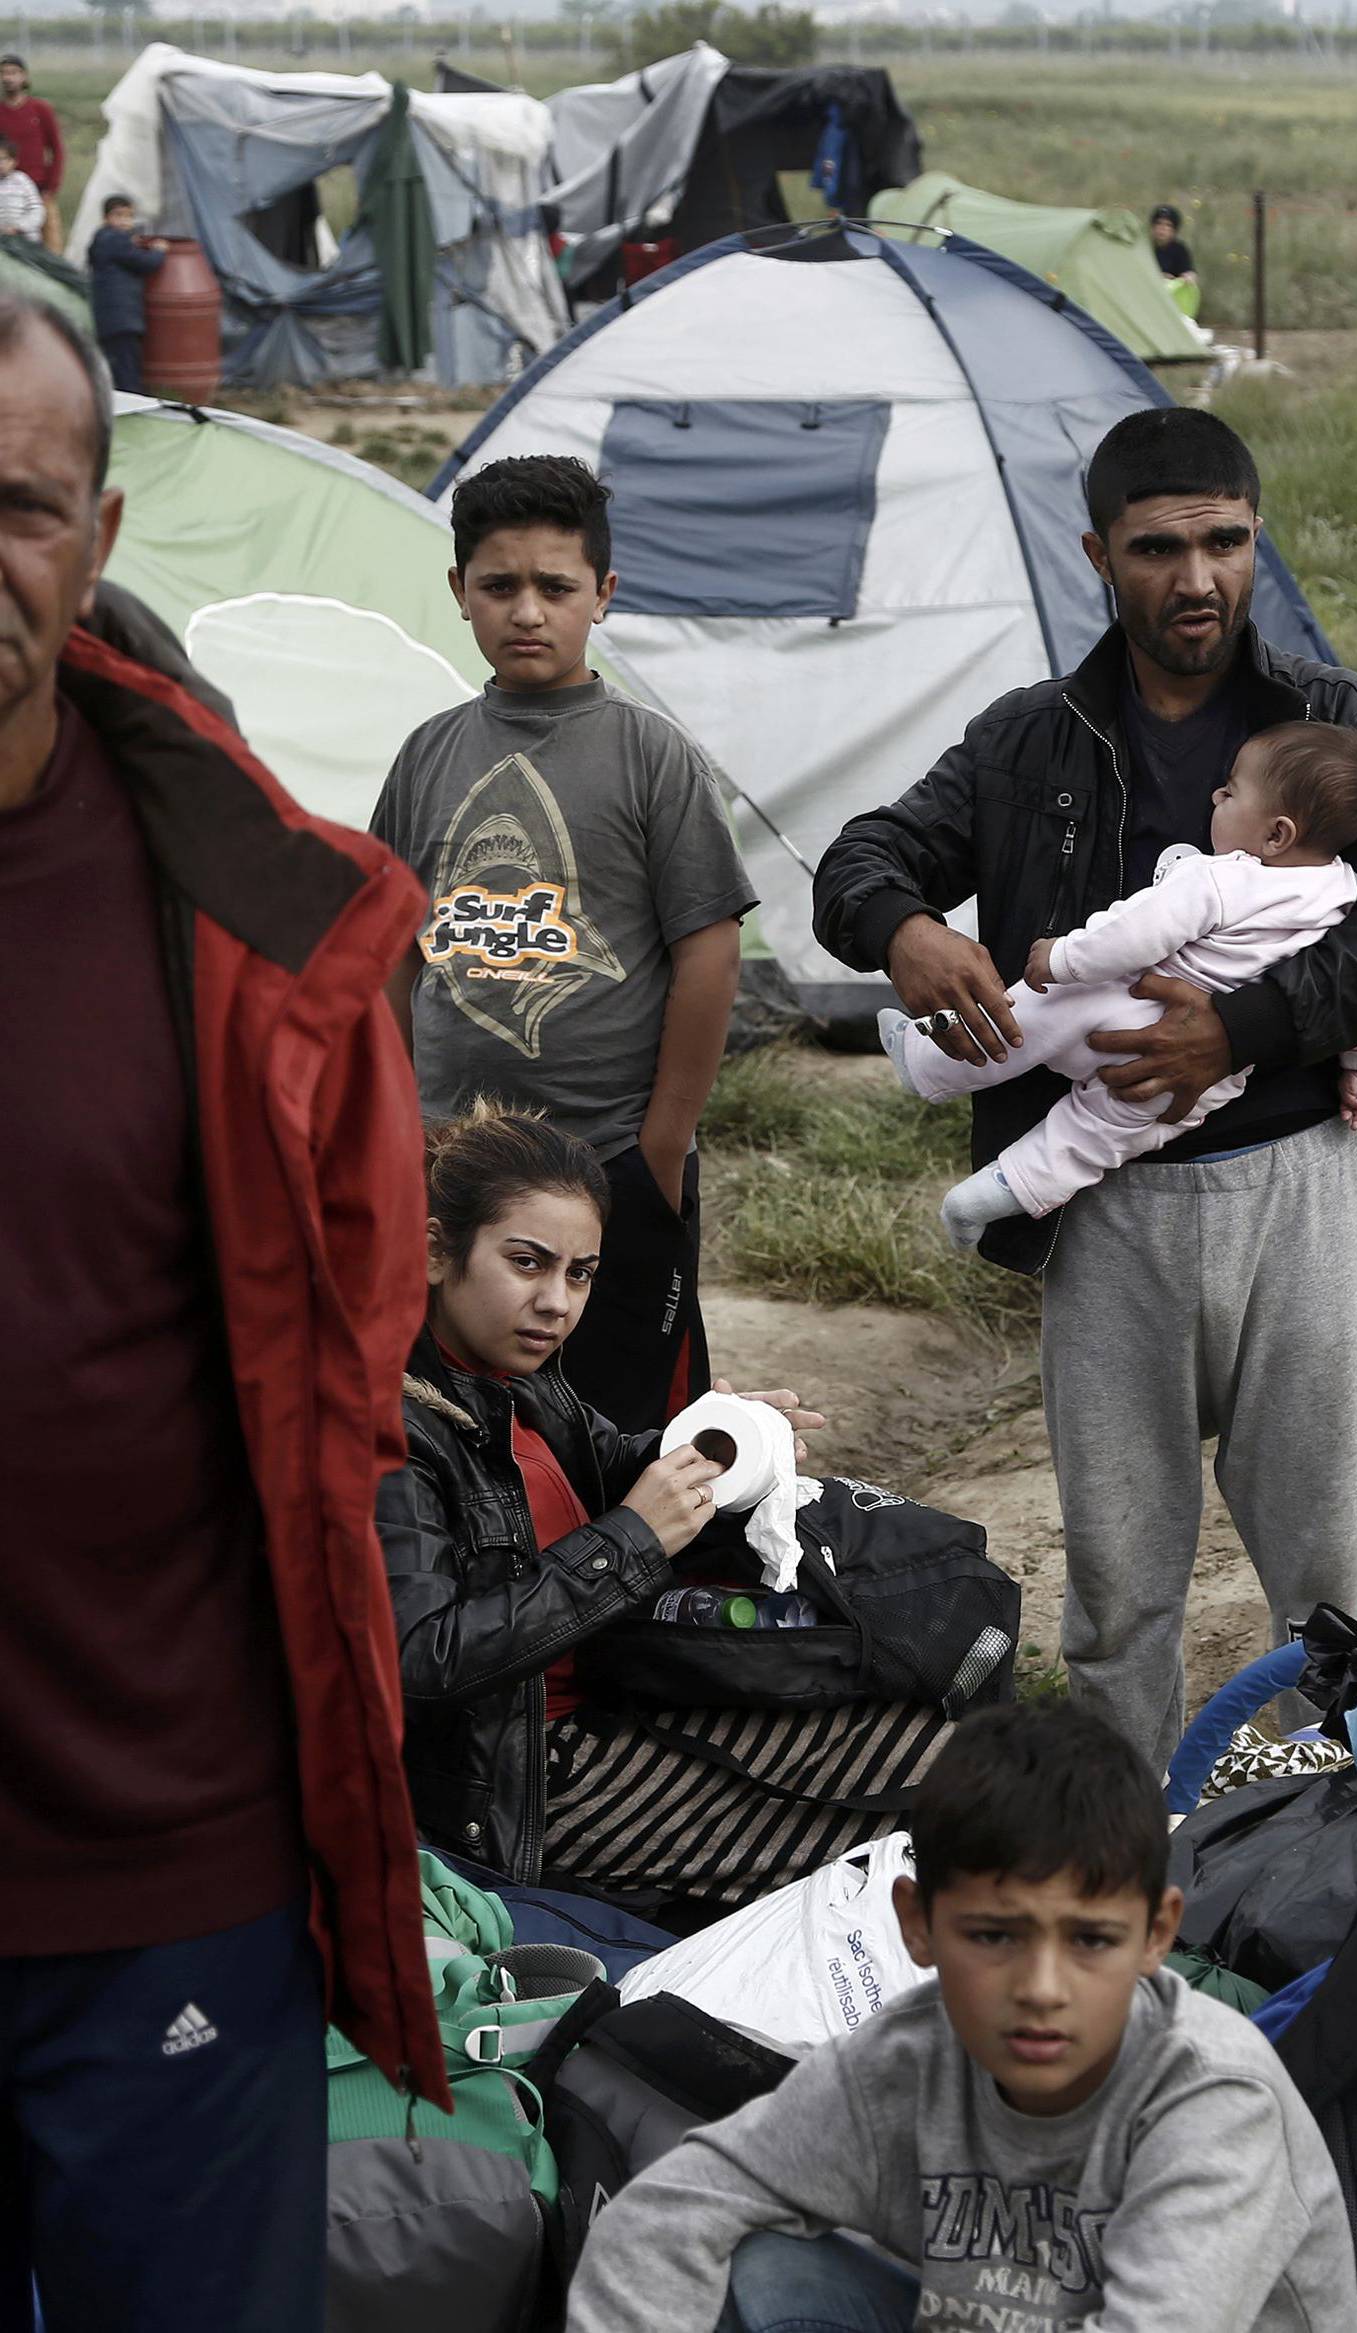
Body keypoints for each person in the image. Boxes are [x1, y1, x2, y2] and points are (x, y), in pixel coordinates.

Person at [813, 405, 1357, 1774]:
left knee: (1339, 1583)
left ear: (1257, 542)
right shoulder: (1027, 742)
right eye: (1160, 548)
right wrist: (905, 928)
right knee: (1120, 1594)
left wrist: (1236, 1030)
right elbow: (861, 857)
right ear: (1098, 557)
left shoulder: (1339, 725)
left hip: (1302, 1187)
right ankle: (1125, 1870)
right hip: (1107, 1211)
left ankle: (1328, 1853)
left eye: (1226, 543)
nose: (1197, 578)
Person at [0, 293, 442, 2333]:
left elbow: (354, 1352)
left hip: (164, 1861)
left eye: (12, 507)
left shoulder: (259, 915)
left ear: (92, 540)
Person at [566, 1698, 1357, 2333]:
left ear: (1158, 1932)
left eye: (1092, 1940)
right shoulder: (905, 2058)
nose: (1042, 1987)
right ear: (917, 1922)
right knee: (758, 2269)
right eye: (994, 1936)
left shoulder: (1215, 2105)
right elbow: (675, 2208)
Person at [377, 1099, 953, 1901]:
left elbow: (610, 1462)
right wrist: (630, 1538)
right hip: (530, 1787)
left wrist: (721, 1445)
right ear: (439, 1252)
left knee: (947, 1746)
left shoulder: (521, 1382)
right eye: (527, 1262)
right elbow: (422, 1661)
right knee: (901, 1852)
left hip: (626, 1697)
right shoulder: (391, 1426)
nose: (557, 1302)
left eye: (580, 1273)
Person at [373, 453, 757, 1437]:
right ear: (459, 592)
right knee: (453, 1422)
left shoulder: (650, 754)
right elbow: (391, 950)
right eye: (500, 586)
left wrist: (663, 1144)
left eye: (556, 586)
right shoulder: (426, 753)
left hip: (614, 1158)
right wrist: (396, 1121)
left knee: (622, 1422)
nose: (528, 611)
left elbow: (708, 952)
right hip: (451, 1162)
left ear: (604, 594)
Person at [882, 721, 1357, 1249]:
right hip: (1206, 1074)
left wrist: (1062, 959)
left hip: (1126, 1008)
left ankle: (925, 1062)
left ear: (1276, 834)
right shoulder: (1346, 893)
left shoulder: (1221, 877)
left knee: (1030, 1017)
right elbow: (1353, 987)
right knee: (1098, 1133)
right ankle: (1000, 1190)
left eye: (1231, 791)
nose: (1216, 795)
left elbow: (1134, 934)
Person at [86, 194, 165, 392]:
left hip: (108, 318)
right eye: (118, 215)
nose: (124, 221)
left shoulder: (102, 239)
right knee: (127, 371)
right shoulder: (115, 240)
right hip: (122, 318)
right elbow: (146, 263)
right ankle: (132, 407)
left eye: (128, 216)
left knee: (114, 369)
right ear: (106, 218)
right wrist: (159, 251)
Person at [0, 56, 61, 250]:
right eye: (4, 73)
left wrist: (51, 187)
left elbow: (57, 149)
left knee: (51, 243)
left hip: (39, 187)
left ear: (24, 77)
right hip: (7, 190)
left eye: (13, 73)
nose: (8, 78)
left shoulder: (40, 109)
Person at [1150, 202, 1200, 317]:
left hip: (1170, 301)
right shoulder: (1146, 248)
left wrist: (1188, 278)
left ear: (1174, 230)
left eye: (1168, 225)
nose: (1162, 229)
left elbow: (1188, 272)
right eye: (1159, 224)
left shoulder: (1179, 250)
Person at [0, 137, 44, 241]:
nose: (0, 164)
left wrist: (20, 226)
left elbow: (37, 209)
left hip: (26, 239)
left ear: (14, 161)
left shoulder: (22, 181)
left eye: (4, 159)